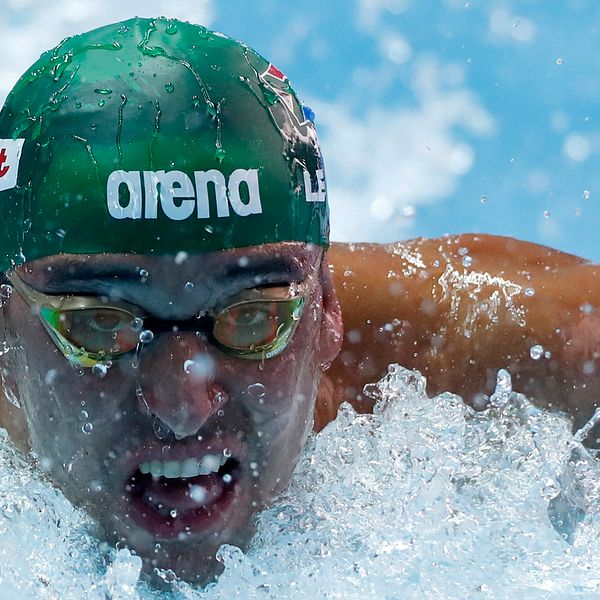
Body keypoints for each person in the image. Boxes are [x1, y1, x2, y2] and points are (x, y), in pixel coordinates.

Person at [0, 17, 599, 585]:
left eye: (251, 315)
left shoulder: (478, 349)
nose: (184, 405)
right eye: (101, 325)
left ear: (327, 308)